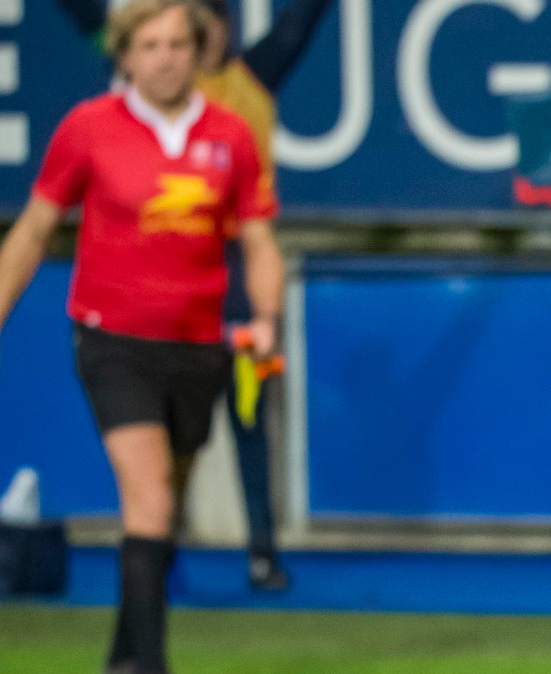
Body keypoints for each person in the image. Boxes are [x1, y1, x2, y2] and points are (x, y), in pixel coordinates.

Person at [0, 0, 282, 674]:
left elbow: (258, 241)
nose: (165, 58)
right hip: (113, 341)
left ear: (198, 52)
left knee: (167, 507)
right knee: (151, 497)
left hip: (199, 347)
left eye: (177, 44)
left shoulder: (230, 135)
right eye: (150, 45)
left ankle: (121, 654)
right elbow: (34, 231)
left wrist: (264, 319)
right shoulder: (88, 128)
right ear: (125, 55)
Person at [56, 0, 337, 591]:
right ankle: (158, 551)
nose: (177, 48)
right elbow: (90, 20)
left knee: (249, 417)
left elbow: (301, 19)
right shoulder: (141, 83)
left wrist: (265, 312)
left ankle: (261, 551)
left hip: (234, 272)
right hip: (166, 278)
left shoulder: (248, 82)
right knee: (160, 437)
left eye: (194, 30)